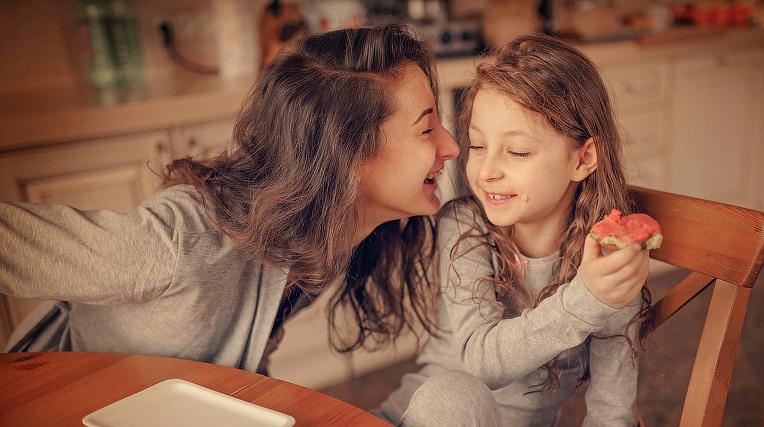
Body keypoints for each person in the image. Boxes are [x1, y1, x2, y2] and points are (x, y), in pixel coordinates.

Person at [0, 24, 459, 372]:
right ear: (346, 155)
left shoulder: (325, 232)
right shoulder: (182, 242)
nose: (452, 147)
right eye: (426, 129)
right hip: (55, 405)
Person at [373, 35, 652, 427]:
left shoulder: (607, 271)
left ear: (583, 158)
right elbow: (480, 356)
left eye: (518, 153)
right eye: (478, 145)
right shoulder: (466, 225)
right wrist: (585, 301)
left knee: (457, 396)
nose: (487, 171)